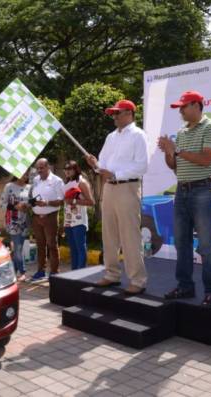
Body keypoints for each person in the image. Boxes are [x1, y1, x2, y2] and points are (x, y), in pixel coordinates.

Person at [157, 90, 211, 308]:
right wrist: (168, 153)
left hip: (203, 191)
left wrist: (177, 150)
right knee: (181, 243)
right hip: (182, 191)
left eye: (183, 107)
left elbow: (205, 160)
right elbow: (174, 165)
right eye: (179, 108)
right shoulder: (181, 131)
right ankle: (185, 286)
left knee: (205, 245)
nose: (181, 111)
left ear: (197, 105)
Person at [85, 99, 148, 295]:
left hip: (127, 187)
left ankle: (138, 280)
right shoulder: (111, 137)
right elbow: (103, 164)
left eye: (117, 113)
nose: (114, 117)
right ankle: (111, 274)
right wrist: (94, 164)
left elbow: (142, 166)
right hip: (110, 188)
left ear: (129, 113)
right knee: (109, 234)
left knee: (130, 235)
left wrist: (114, 175)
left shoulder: (139, 135)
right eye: (113, 113)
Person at [29, 158, 64, 282]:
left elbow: (61, 200)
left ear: (48, 167)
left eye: (42, 168)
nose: (39, 170)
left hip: (50, 217)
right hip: (36, 217)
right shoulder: (36, 180)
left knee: (52, 245)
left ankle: (54, 272)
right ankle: (40, 271)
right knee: (40, 245)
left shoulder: (57, 181)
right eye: (38, 168)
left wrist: (47, 203)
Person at [0, 170, 31, 282]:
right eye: (23, 173)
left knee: (19, 248)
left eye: (27, 174)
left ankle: (11, 270)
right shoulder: (9, 186)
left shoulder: (30, 187)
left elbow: (32, 203)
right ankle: (23, 272)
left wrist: (28, 206)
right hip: (12, 221)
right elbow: (2, 204)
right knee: (17, 247)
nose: (25, 175)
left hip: (25, 221)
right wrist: (15, 207)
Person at [63, 160, 94, 270]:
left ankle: (81, 273)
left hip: (79, 221)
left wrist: (74, 201)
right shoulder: (66, 183)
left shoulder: (82, 182)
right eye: (65, 169)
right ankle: (74, 273)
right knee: (73, 248)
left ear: (76, 169)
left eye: (69, 169)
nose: (67, 171)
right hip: (68, 220)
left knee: (80, 248)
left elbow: (91, 202)